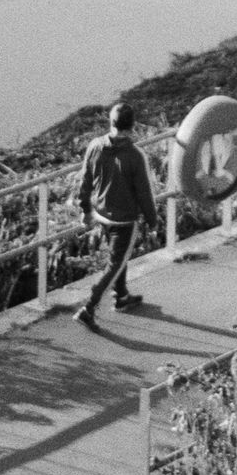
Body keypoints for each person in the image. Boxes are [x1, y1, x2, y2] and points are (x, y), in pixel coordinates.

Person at [74, 101, 157, 326]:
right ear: (132, 126)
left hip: (102, 214)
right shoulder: (135, 155)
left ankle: (121, 297)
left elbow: (85, 180)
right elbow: (144, 192)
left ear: (111, 122)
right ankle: (89, 307)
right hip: (125, 220)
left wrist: (85, 209)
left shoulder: (95, 146)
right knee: (115, 264)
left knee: (118, 258)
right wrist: (153, 220)